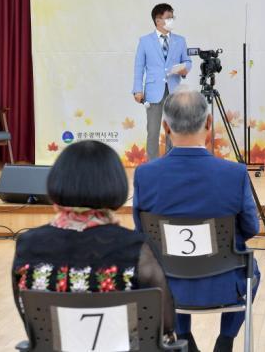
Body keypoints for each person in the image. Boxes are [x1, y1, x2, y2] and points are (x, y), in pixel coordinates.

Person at [132, 89, 260, 352]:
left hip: (166, 287)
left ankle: (184, 338)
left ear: (165, 127)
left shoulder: (145, 175)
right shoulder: (234, 174)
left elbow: (141, 232)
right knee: (252, 268)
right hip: (225, 283)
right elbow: (251, 228)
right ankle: (225, 341)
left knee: (163, 259)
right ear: (209, 123)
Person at [11, 141, 176, 341]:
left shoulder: (27, 244)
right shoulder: (138, 249)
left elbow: (30, 321)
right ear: (115, 184)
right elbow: (166, 323)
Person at [132, 3, 192, 161]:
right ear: (158, 20)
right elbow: (139, 67)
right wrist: (137, 90)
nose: (172, 20)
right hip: (153, 92)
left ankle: (171, 163)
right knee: (152, 131)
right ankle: (152, 165)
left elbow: (187, 61)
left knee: (172, 130)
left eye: (173, 17)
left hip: (174, 91)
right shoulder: (145, 41)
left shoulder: (180, 40)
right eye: (169, 18)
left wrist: (184, 69)